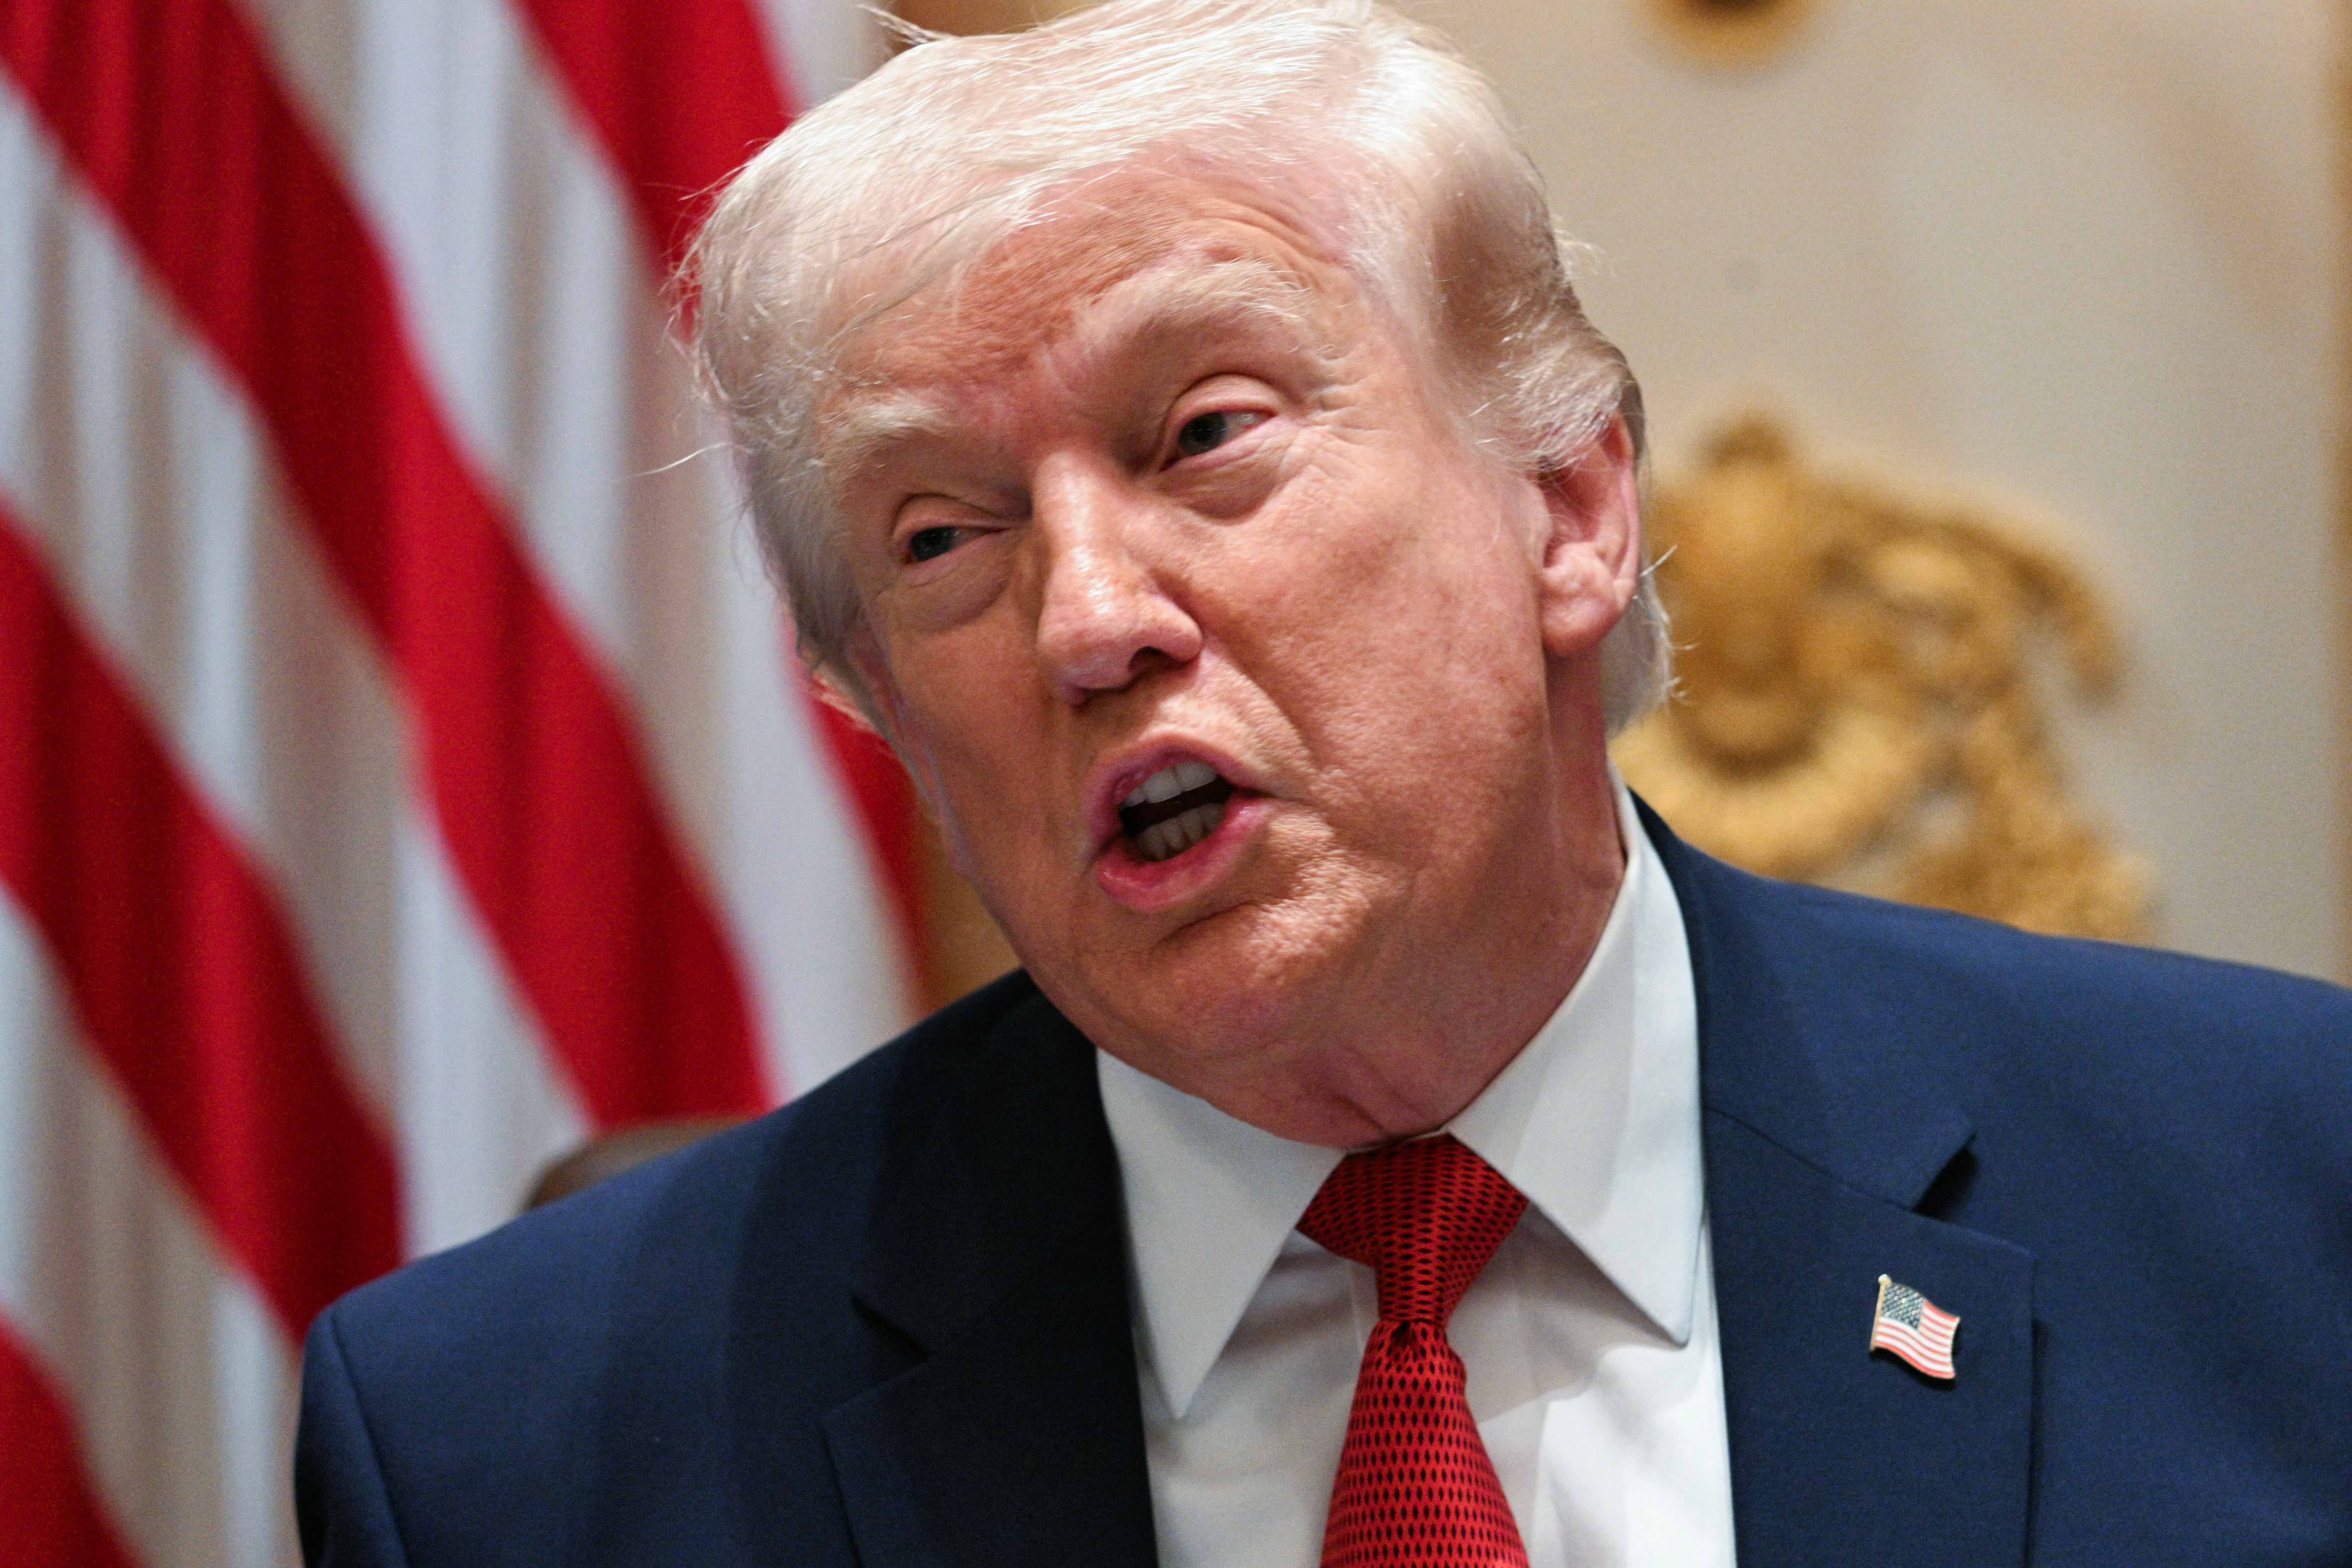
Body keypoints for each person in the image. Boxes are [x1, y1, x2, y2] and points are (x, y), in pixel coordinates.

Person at [292, 2, 2352, 1564]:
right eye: (939, 538)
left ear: (1567, 506)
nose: (1088, 618)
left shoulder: (2283, 1193)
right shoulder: (509, 1450)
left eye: (1202, 433)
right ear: (872, 704)